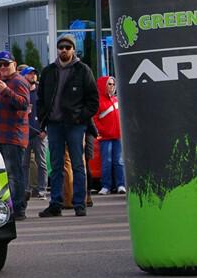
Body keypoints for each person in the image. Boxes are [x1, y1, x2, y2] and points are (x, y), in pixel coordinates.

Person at [36, 34, 98, 217]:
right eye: (61, 46)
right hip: (54, 124)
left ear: (73, 49)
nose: (64, 50)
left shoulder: (83, 70)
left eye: (67, 47)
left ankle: (79, 203)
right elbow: (40, 98)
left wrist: (80, 117)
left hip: (75, 125)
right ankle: (56, 203)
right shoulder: (48, 71)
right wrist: (42, 118)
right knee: (56, 166)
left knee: (78, 164)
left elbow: (93, 101)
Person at [0, 51, 30, 220]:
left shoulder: (18, 81)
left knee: (14, 174)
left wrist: (6, 91)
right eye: (0, 64)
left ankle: (19, 209)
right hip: (0, 136)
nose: (3, 67)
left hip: (13, 137)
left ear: (14, 63)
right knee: (5, 175)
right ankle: (11, 206)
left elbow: (24, 103)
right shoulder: (2, 82)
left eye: (6, 64)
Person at [93, 76, 126, 196]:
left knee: (119, 161)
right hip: (105, 137)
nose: (112, 86)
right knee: (106, 162)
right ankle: (106, 186)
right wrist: (102, 130)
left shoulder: (116, 100)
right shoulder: (98, 101)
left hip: (118, 136)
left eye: (113, 84)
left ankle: (120, 185)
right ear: (103, 85)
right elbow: (95, 118)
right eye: (109, 84)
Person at [21, 66, 48, 200]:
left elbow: (47, 110)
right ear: (23, 76)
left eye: (34, 74)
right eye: (29, 74)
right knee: (24, 163)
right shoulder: (21, 92)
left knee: (41, 162)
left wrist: (45, 130)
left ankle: (42, 189)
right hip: (24, 133)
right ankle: (26, 189)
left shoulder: (40, 92)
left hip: (39, 133)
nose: (33, 76)